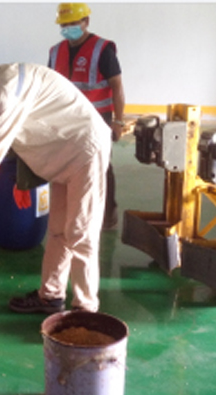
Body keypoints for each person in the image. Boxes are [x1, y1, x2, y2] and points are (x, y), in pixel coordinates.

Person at [0, 52, 111, 314]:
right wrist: (23, 180)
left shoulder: (5, 89)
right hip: (64, 151)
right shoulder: (2, 85)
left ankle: (86, 309)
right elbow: (24, 131)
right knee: (58, 231)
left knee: (80, 232)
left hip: (85, 149)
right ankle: (51, 296)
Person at [49, 3, 126, 230]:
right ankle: (74, 212)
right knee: (68, 166)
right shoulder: (55, 52)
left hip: (98, 119)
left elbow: (117, 87)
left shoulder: (102, 50)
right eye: (64, 24)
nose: (68, 28)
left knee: (100, 166)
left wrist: (119, 121)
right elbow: (50, 87)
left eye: (73, 23)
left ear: (86, 22)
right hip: (67, 120)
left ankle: (107, 216)